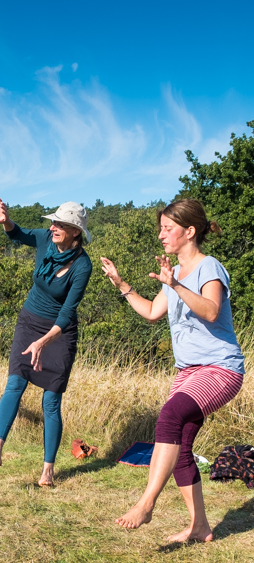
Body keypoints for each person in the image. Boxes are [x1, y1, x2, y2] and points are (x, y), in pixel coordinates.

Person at [101, 199, 244, 543]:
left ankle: (147, 503)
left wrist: (177, 285)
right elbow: (152, 312)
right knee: (180, 447)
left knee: (169, 418)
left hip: (219, 369)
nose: (161, 235)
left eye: (168, 228)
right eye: (161, 228)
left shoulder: (209, 267)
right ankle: (200, 527)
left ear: (189, 231)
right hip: (188, 372)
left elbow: (211, 310)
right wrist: (121, 284)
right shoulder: (173, 273)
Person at [0, 199, 93, 487]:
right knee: (15, 383)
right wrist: (7, 221)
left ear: (75, 232)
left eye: (60, 224)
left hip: (59, 332)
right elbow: (17, 234)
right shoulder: (45, 239)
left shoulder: (82, 265)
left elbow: (67, 312)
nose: (53, 227)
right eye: (53, 222)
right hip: (29, 322)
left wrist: (43, 342)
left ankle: (48, 471)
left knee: (51, 401)